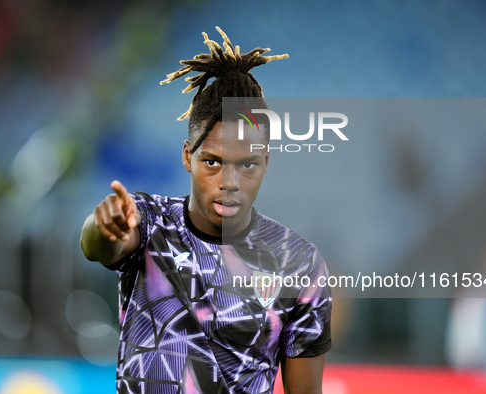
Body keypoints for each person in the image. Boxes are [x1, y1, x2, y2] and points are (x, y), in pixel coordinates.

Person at [80, 27, 332, 394]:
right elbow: (98, 247)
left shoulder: (299, 263)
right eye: (212, 162)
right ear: (188, 156)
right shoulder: (149, 221)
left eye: (247, 165)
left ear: (266, 162)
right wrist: (102, 229)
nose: (229, 181)